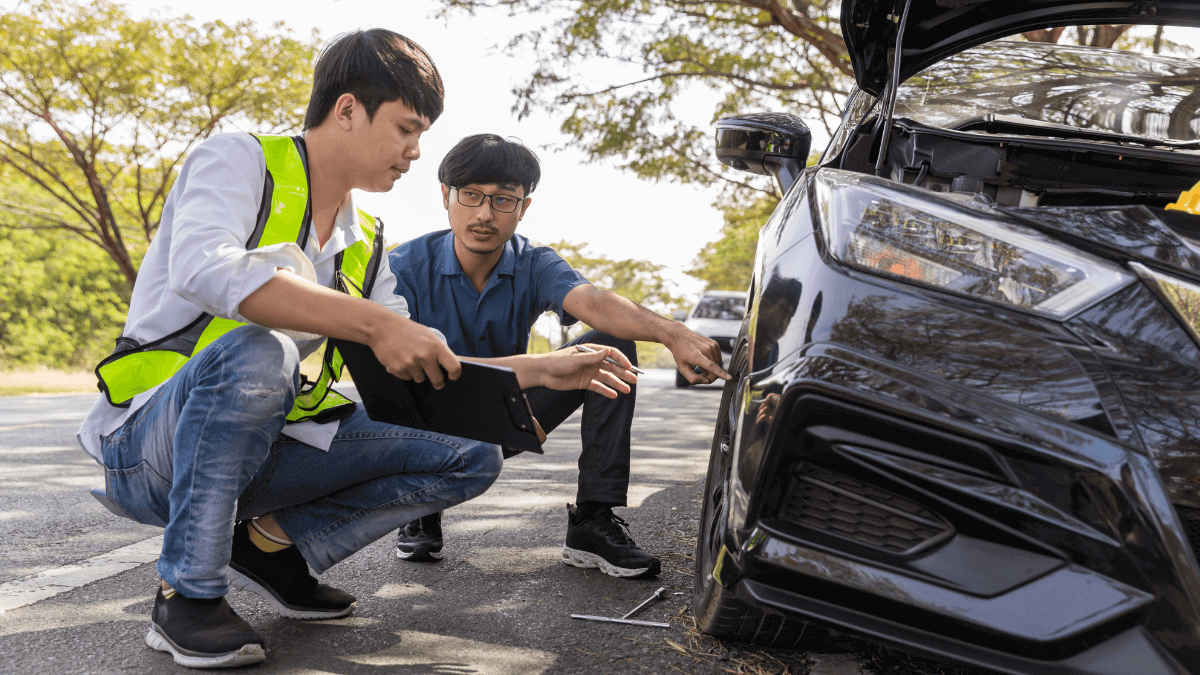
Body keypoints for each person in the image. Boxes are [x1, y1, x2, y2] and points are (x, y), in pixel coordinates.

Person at [76, 30, 635, 669]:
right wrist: (373, 324)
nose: (415, 152)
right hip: (151, 448)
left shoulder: (366, 240)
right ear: (347, 110)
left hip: (265, 455)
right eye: (405, 129)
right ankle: (188, 595)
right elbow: (204, 269)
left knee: (472, 454)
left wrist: (548, 367)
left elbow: (418, 361)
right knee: (259, 352)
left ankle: (269, 546)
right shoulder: (237, 160)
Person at [387, 134, 729, 580]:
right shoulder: (403, 266)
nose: (484, 214)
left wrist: (672, 332)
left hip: (502, 416)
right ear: (445, 196)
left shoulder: (533, 262)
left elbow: (594, 302)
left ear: (523, 207)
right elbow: (390, 369)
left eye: (503, 200)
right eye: (470, 196)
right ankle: (423, 505)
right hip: (423, 424)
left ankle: (591, 520)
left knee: (611, 345)